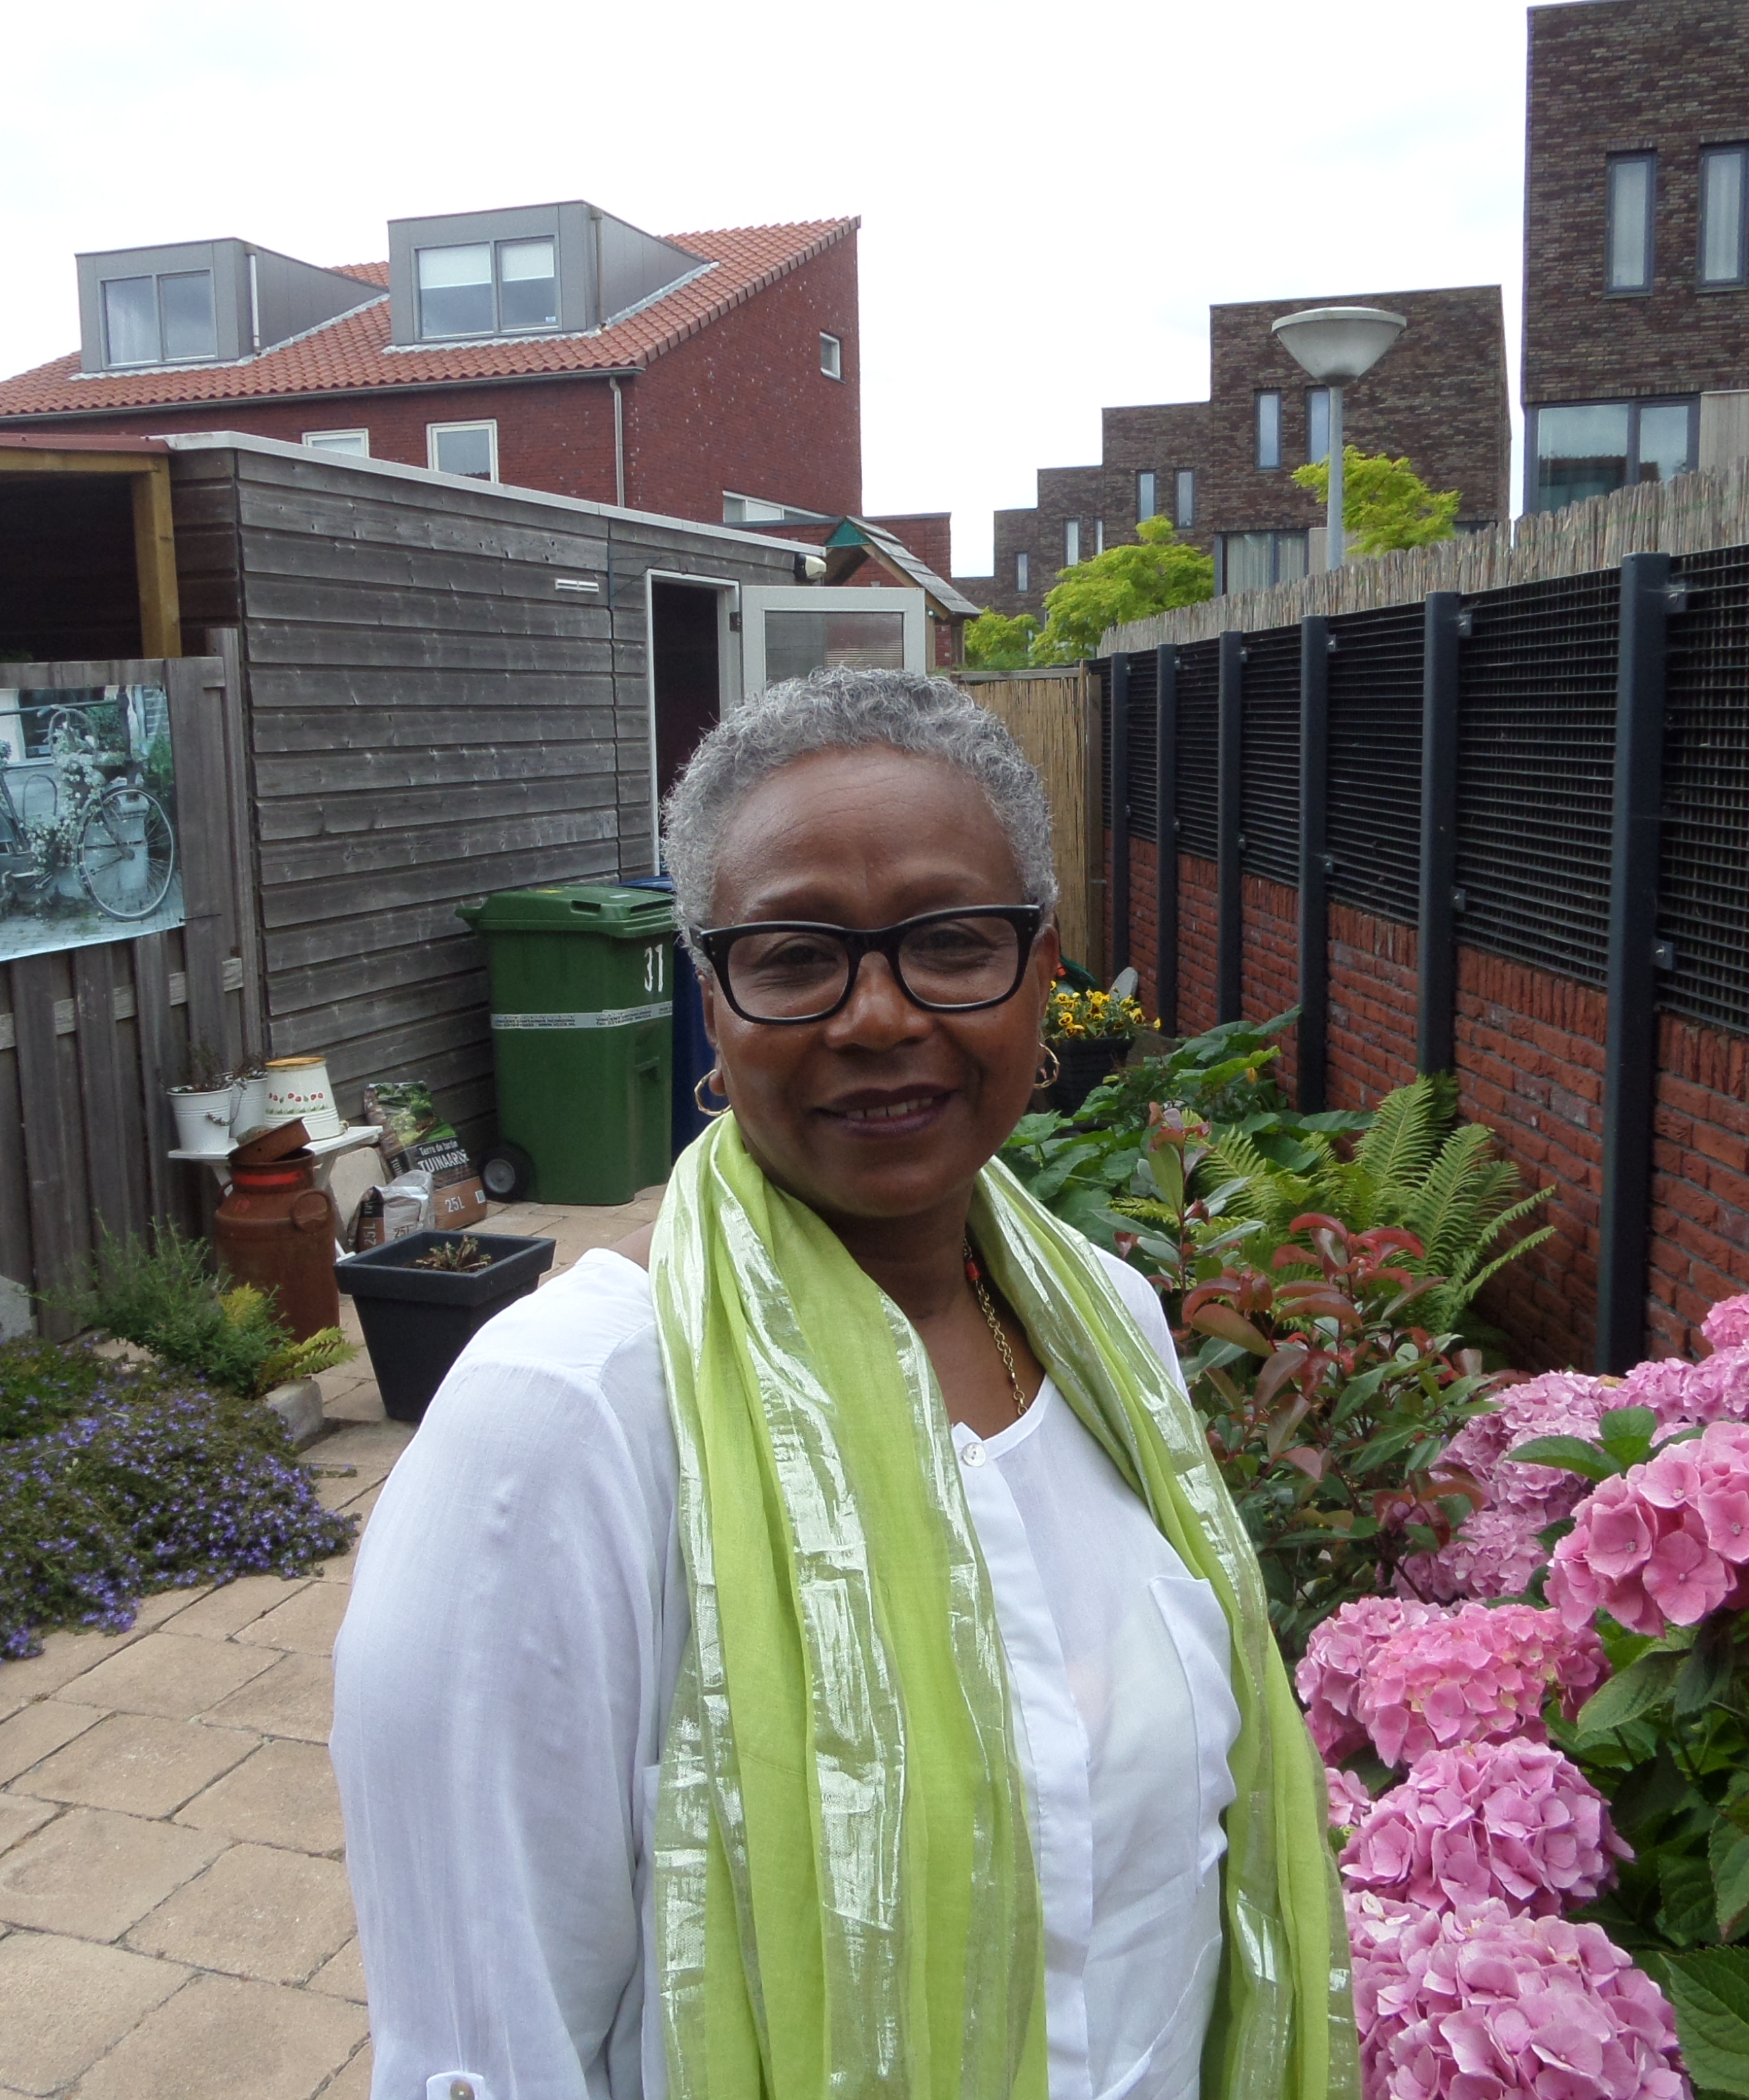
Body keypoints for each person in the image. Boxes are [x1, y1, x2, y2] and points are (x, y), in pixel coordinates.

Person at [333, 669, 1348, 2100]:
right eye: (795, 956)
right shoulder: (571, 1422)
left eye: (950, 941)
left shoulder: (1108, 1329)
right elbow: (483, 2049)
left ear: (1043, 973)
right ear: (713, 1000)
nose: (875, 1016)